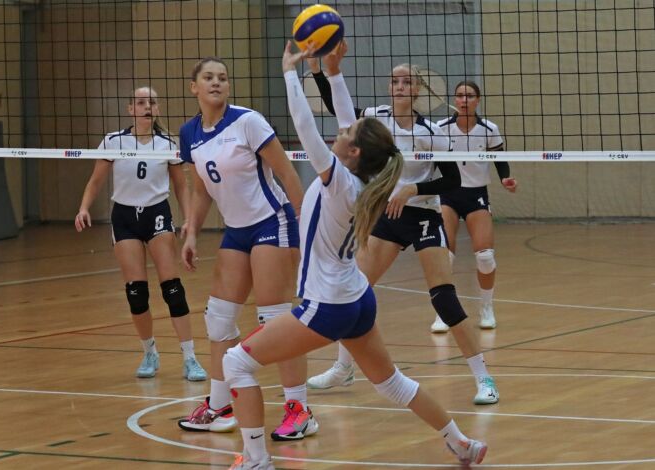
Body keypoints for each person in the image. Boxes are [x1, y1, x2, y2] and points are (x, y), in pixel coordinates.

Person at [223, 41, 488, 470]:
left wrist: (290, 72)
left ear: (354, 152)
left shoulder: (338, 181)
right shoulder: (363, 179)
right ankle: (462, 443)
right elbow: (350, 121)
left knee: (235, 362)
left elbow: (304, 125)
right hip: (357, 298)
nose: (340, 132)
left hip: (327, 304)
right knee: (392, 383)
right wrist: (333, 72)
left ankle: (256, 460)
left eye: (345, 136)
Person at [306, 54, 499, 405]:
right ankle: (343, 367)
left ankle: (484, 378)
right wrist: (320, 71)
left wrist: (414, 189)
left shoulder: (431, 133)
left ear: (418, 90)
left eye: (407, 82)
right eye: (395, 81)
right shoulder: (375, 119)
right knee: (354, 290)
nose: (399, 86)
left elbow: (452, 180)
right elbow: (338, 109)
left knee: (444, 298)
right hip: (387, 216)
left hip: (423, 216)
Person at [177, 57, 317, 441]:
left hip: (273, 222)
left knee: (276, 321)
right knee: (219, 319)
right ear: (194, 87)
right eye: (208, 77)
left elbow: (286, 172)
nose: (216, 83)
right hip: (236, 231)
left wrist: (306, 221)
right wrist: (191, 233)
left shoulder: (248, 121)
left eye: (222, 78)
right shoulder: (189, 133)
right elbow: (201, 189)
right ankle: (220, 406)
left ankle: (299, 409)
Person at [75, 86, 207, 382]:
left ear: (157, 109)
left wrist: (189, 220)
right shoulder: (113, 141)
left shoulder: (167, 144)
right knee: (136, 293)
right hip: (124, 217)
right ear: (130, 109)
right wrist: (83, 208)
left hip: (156, 214)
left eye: (152, 102)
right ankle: (149, 352)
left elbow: (181, 186)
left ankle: (190, 358)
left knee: (172, 289)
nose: (147, 106)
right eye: (141, 102)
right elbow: (96, 180)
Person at [435, 81, 517, 331]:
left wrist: (506, 178)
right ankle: (442, 314)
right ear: (455, 100)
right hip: (447, 194)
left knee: (485, 257)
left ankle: (486, 307)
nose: (464, 100)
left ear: (477, 100)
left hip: (476, 195)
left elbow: (499, 159)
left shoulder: (489, 129)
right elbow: (429, 159)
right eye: (460, 96)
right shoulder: (440, 128)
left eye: (469, 96)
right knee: (444, 256)